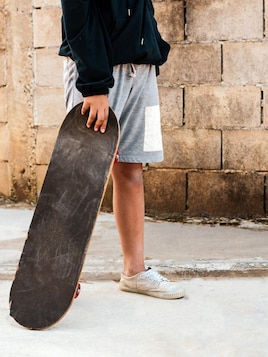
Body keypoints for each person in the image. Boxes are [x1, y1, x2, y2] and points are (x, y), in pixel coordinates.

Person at [59, 0, 185, 299]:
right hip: (98, 75)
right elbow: (76, 13)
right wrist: (93, 86)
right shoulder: (95, 81)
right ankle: (59, 271)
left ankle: (135, 272)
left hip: (141, 70)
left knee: (132, 169)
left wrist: (153, 44)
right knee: (82, 173)